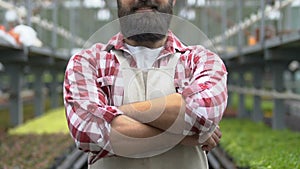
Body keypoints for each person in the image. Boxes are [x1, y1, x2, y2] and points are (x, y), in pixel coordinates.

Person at [63, 0, 228, 168]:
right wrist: (184, 135)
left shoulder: (202, 60)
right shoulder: (87, 62)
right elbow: (88, 133)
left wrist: (108, 114)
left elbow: (202, 112)